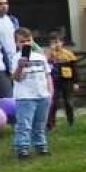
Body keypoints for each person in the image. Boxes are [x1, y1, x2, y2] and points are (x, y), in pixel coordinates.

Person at [9, 27, 52, 158]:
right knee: (24, 124)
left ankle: (41, 146)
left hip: (42, 94)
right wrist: (20, 66)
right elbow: (15, 78)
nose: (26, 44)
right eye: (22, 41)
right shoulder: (15, 58)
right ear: (16, 43)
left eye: (28, 40)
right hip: (25, 96)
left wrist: (49, 92)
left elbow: (47, 74)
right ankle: (22, 147)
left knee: (40, 123)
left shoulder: (40, 56)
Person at [46, 32, 77, 129]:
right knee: (53, 103)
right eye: (53, 42)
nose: (55, 44)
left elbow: (74, 69)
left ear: (62, 43)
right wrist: (51, 55)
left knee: (68, 102)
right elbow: (47, 66)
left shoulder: (68, 54)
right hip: (54, 81)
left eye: (57, 42)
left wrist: (75, 82)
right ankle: (51, 124)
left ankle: (71, 122)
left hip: (67, 81)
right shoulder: (49, 54)